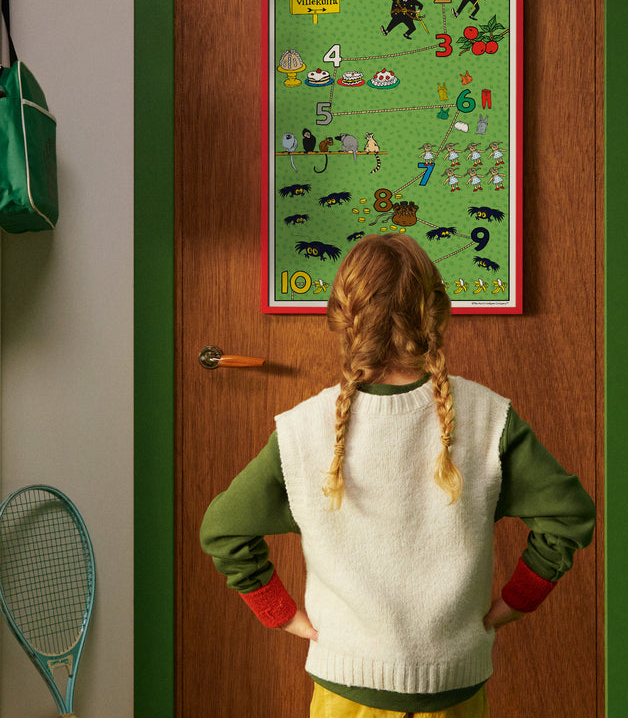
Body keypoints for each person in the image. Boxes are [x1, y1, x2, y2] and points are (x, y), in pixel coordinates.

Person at [200, 233, 595, 718]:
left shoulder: (303, 428)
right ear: (436, 312)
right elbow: (570, 516)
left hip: (345, 693)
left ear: (343, 319)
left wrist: (282, 615)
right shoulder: (490, 417)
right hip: (455, 690)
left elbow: (222, 529)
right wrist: (516, 602)